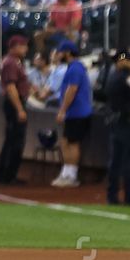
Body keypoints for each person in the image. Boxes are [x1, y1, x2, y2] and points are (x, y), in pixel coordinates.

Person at [103, 48, 130, 206]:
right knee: (129, 161)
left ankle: (112, 196)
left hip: (115, 122)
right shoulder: (127, 78)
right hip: (127, 124)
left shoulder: (112, 77)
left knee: (115, 161)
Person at [51, 39, 92, 187]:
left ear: (68, 53)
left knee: (72, 143)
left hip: (77, 113)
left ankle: (71, 176)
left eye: (60, 52)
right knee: (66, 142)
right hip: (74, 112)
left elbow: (72, 89)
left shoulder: (75, 68)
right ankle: (66, 172)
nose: (58, 55)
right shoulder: (74, 67)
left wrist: (62, 110)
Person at [0, 35, 30, 184]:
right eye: (23, 46)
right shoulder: (11, 62)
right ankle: (8, 176)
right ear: (14, 47)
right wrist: (19, 109)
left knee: (12, 140)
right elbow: (11, 87)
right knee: (15, 141)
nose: (26, 49)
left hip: (14, 103)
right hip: (14, 104)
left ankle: (6, 174)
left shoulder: (14, 62)